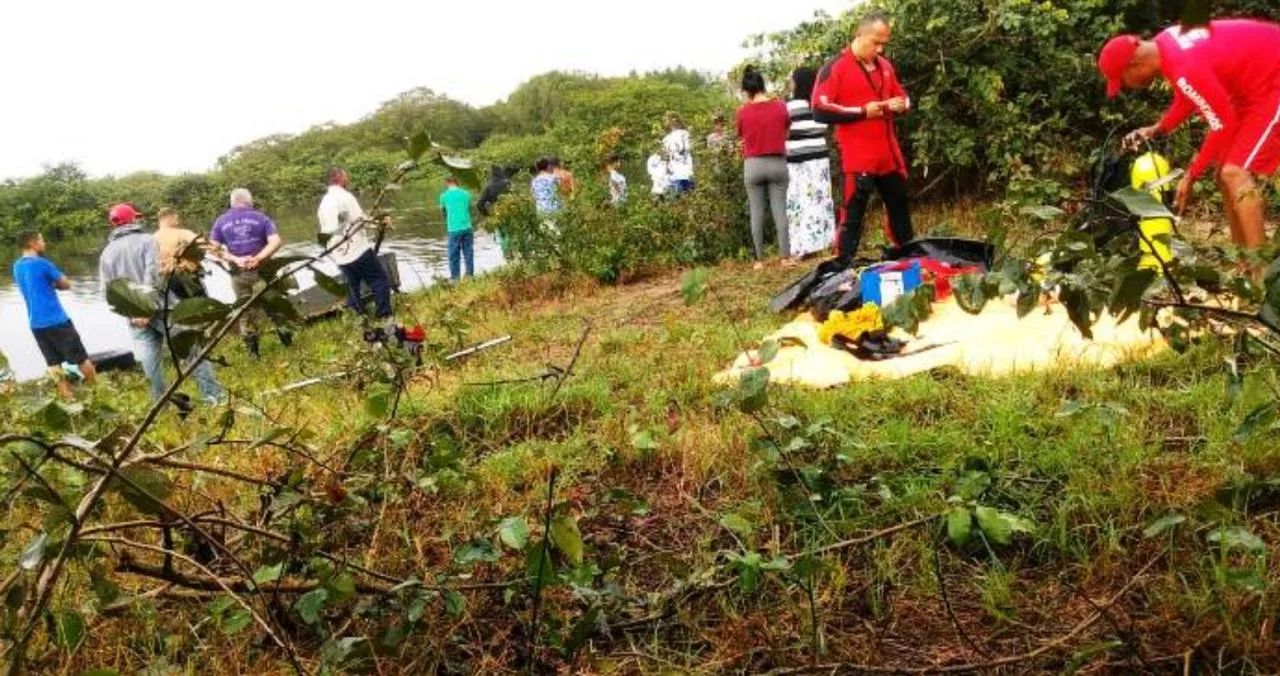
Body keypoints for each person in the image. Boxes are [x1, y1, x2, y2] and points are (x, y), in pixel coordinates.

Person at [1099, 19, 1280, 255]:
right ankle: (1243, 262)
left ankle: (1261, 276)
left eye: (1123, 80)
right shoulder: (1167, 44)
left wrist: (1191, 175)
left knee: (1234, 173)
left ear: (1133, 65)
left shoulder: (1184, 65)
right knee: (1222, 174)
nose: (1128, 86)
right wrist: (1158, 128)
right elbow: (1189, 96)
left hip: (1271, 84)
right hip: (1252, 86)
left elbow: (1222, 125)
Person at [812, 10, 915, 262]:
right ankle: (842, 266)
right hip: (859, 158)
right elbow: (819, 108)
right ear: (860, 34)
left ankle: (909, 260)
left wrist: (901, 105)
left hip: (888, 155)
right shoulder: (835, 67)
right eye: (875, 42)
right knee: (853, 215)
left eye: (884, 43)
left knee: (899, 207)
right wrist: (862, 112)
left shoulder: (885, 66)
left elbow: (904, 96)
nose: (879, 49)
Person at [99, 203, 223, 405]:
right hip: (162, 309)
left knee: (150, 363)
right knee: (192, 352)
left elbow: (107, 291)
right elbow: (153, 274)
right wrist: (147, 308)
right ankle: (213, 398)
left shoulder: (106, 253)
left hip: (134, 317)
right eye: (136, 217)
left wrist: (132, 314)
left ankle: (160, 405)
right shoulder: (147, 241)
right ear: (132, 220)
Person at [12, 230, 97, 399]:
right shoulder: (42, 263)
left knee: (53, 363)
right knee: (81, 359)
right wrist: (56, 283)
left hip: (36, 323)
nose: (44, 244)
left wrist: (50, 283)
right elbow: (66, 284)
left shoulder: (17, 266)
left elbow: (35, 286)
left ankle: (67, 397)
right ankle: (96, 392)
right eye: (42, 240)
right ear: (32, 244)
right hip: (56, 320)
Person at [210, 189, 291, 358]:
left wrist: (234, 259)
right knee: (274, 306)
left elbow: (212, 248)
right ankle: (288, 344)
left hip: (238, 273)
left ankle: (254, 354)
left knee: (244, 312)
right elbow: (276, 241)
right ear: (250, 201)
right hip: (262, 271)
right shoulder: (261, 217)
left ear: (231, 203)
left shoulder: (221, 221)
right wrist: (258, 258)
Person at [317, 166, 394, 320]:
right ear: (339, 178)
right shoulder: (346, 196)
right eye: (346, 176)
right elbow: (361, 220)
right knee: (379, 280)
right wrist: (380, 222)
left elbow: (325, 230)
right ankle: (383, 314)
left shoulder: (323, 203)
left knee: (352, 289)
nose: (348, 179)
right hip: (357, 249)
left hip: (338, 253)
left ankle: (361, 319)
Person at [736, 66, 792, 260]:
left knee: (756, 212)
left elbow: (741, 136)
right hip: (777, 162)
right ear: (763, 85)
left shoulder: (742, 112)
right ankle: (785, 258)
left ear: (746, 91)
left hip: (753, 165)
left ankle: (759, 261)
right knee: (780, 210)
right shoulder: (780, 106)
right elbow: (786, 130)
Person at [786, 66, 838, 258]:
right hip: (819, 158)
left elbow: (785, 131)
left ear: (798, 83)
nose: (790, 83)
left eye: (792, 79)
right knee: (821, 199)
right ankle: (823, 241)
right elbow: (825, 127)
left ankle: (801, 246)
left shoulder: (788, 107)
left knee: (798, 201)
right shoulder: (819, 104)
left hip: (796, 161)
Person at [438, 176, 476, 281]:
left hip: (453, 228)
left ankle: (455, 278)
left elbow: (444, 211)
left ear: (447, 182)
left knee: (453, 254)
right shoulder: (466, 194)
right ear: (457, 182)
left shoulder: (443, 196)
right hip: (467, 226)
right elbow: (469, 208)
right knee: (468, 252)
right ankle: (469, 275)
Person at [662, 112, 695, 194]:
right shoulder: (667, 139)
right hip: (680, 173)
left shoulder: (683, 134)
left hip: (680, 173)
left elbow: (665, 158)